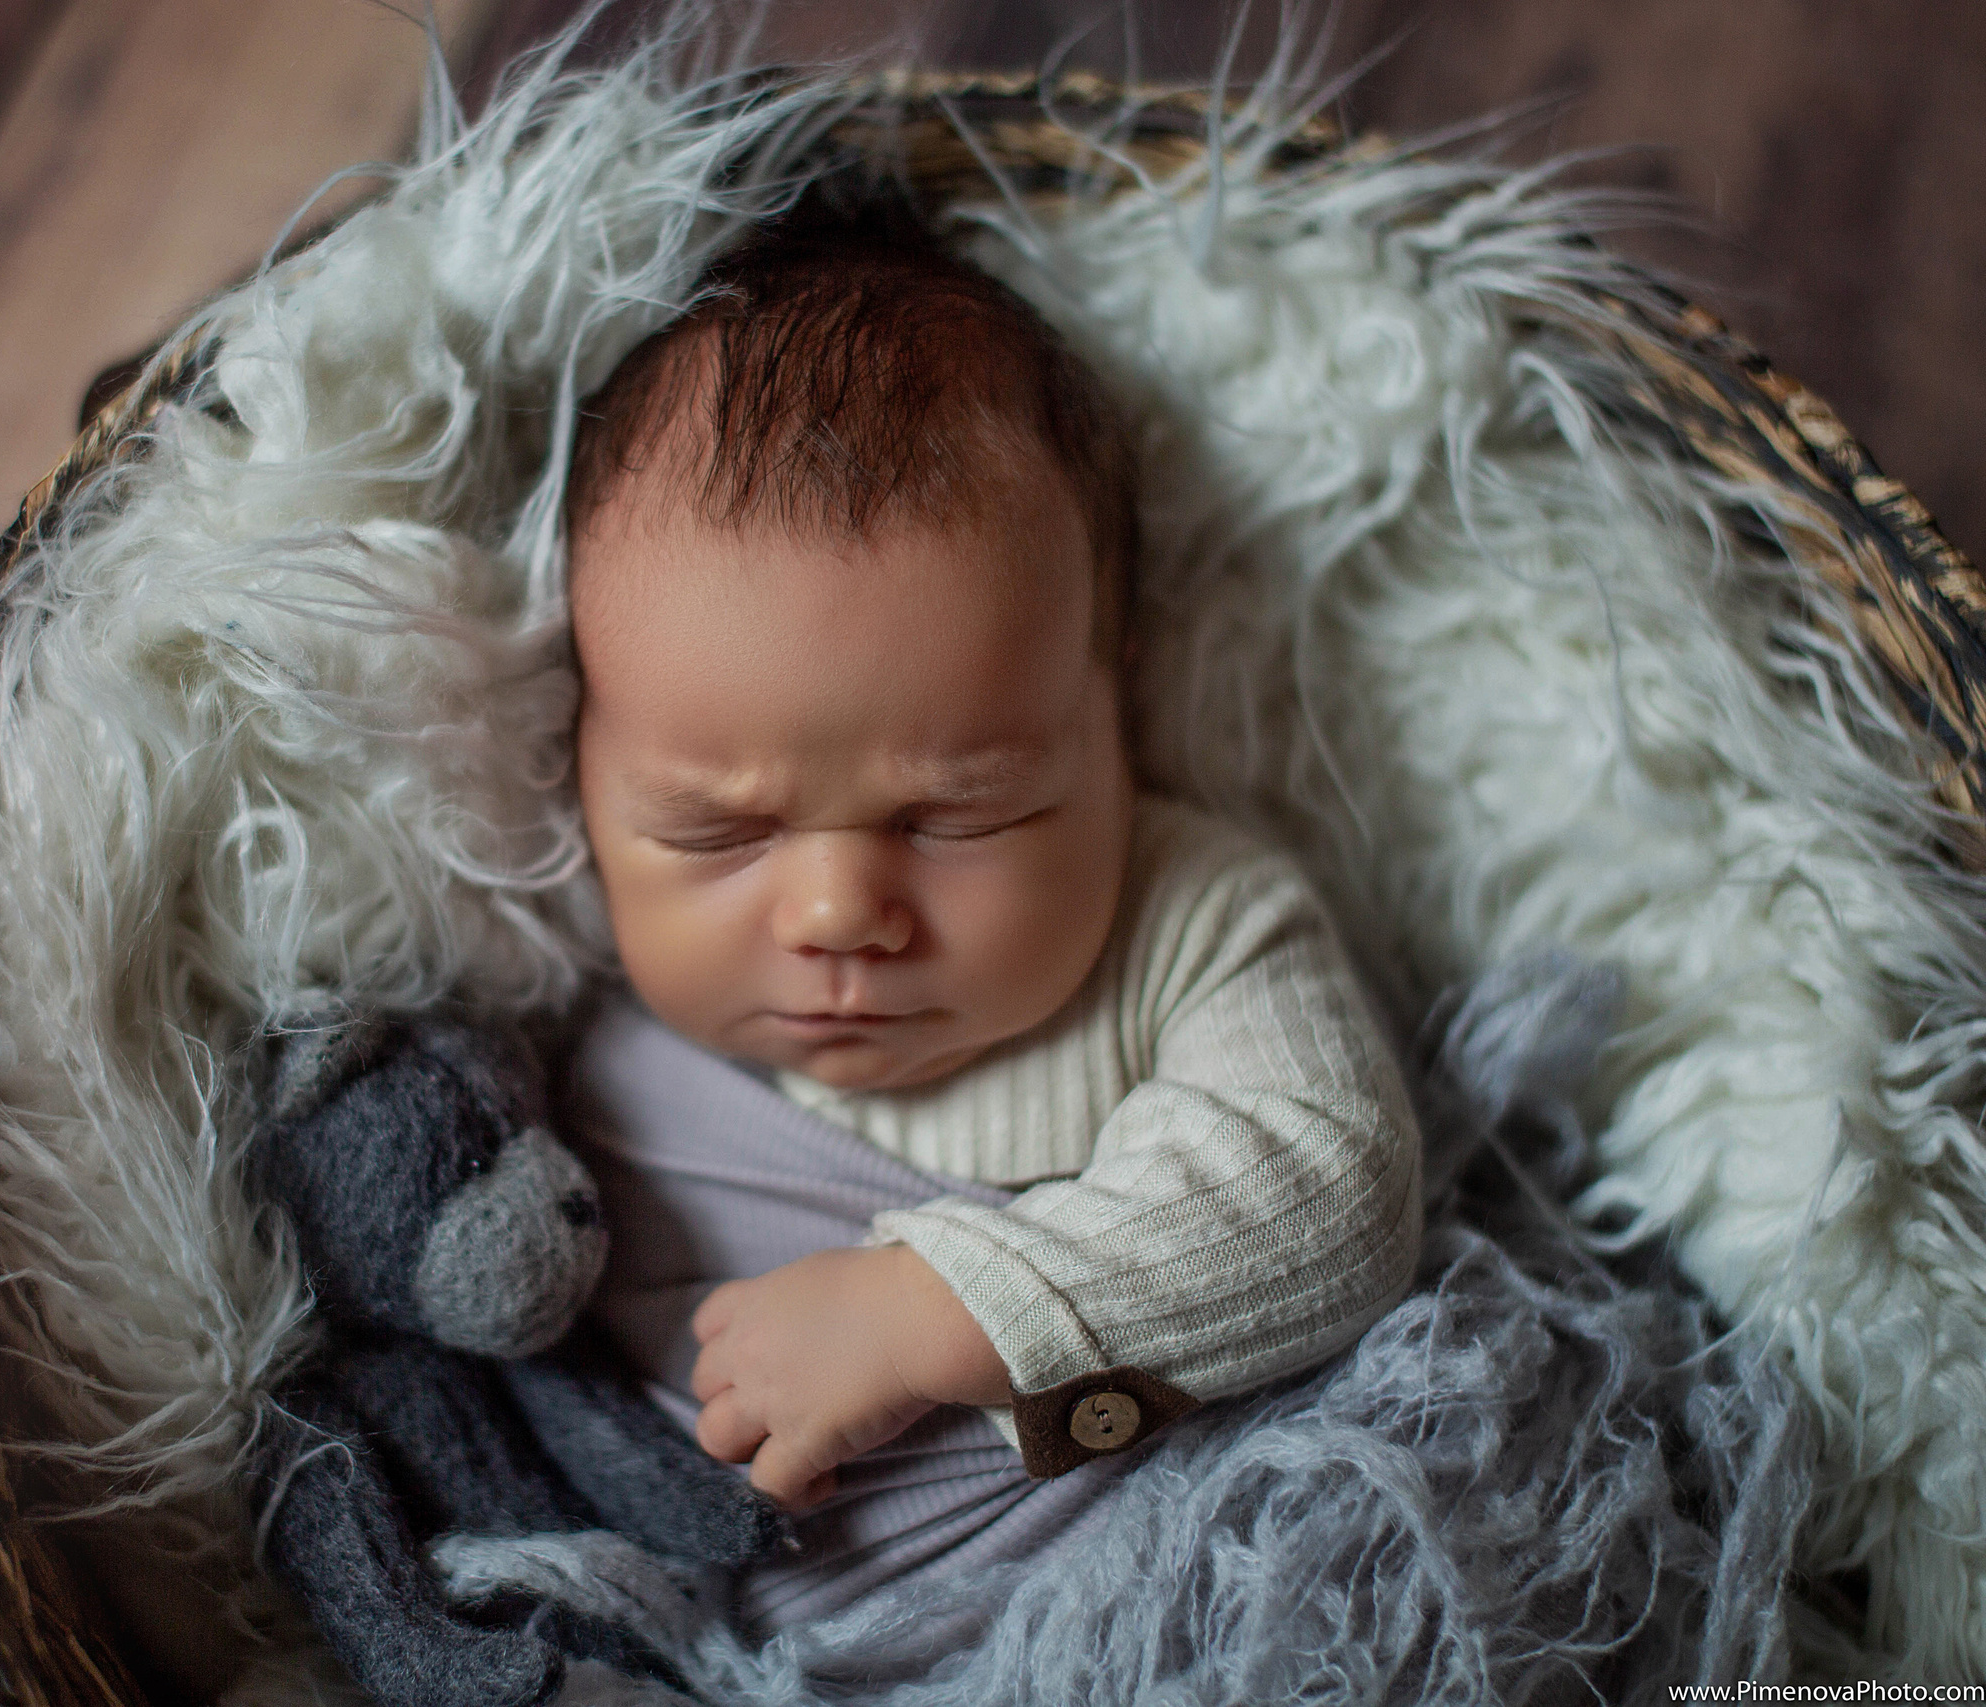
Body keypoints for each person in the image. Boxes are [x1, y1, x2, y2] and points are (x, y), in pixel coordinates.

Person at [563, 195, 1423, 1570]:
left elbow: (1335, 1192)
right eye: (717, 835)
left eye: (959, 814)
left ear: (1110, 708)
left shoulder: (1188, 919)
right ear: (582, 758)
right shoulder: (568, 1024)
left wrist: (934, 1318)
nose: (838, 915)